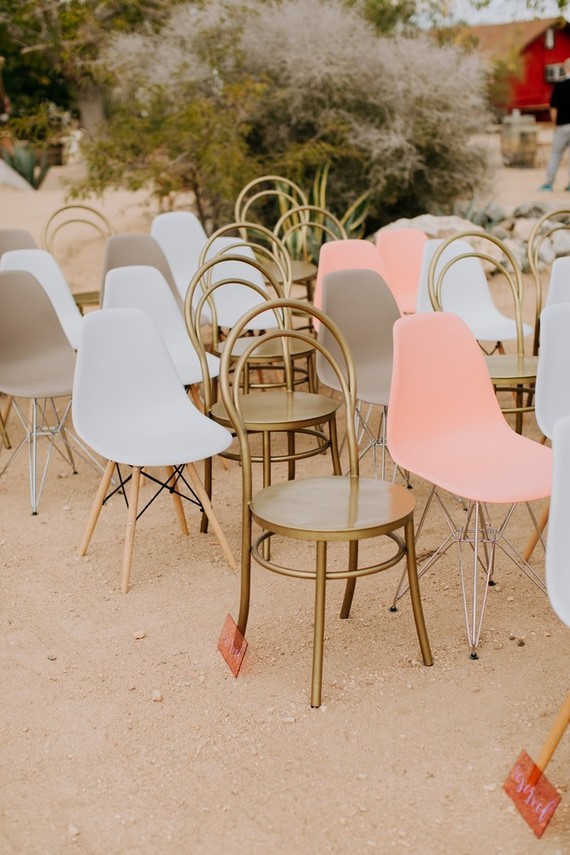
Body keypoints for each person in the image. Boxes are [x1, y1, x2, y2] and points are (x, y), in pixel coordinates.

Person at [540, 56, 570, 191]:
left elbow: (553, 107)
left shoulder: (559, 86)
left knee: (556, 155)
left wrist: (554, 123)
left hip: (562, 125)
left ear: (565, 69)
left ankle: (549, 184)